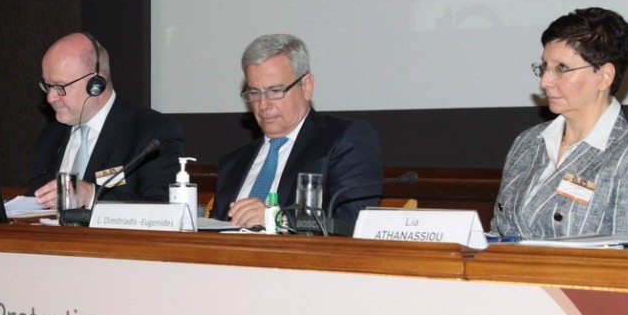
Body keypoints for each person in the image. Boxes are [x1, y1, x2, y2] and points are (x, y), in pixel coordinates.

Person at [490, 8, 628, 240]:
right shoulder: (528, 142)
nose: (545, 81)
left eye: (561, 68)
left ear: (604, 76)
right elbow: (497, 234)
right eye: (545, 67)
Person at [211, 34, 383, 230]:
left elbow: (351, 221)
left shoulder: (345, 140)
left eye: (275, 91)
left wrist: (276, 219)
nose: (263, 105)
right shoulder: (232, 164)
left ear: (307, 86)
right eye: (254, 92)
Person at [28, 33, 184, 208]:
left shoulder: (152, 133)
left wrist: (91, 196)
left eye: (60, 87)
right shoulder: (51, 136)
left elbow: (163, 207)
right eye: (47, 86)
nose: (50, 98)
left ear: (96, 84)